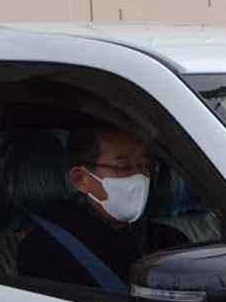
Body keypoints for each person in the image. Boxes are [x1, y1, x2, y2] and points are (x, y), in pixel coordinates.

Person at [15, 124, 186, 292]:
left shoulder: (170, 241)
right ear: (80, 179)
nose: (138, 177)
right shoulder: (44, 250)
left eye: (144, 166)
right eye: (123, 167)